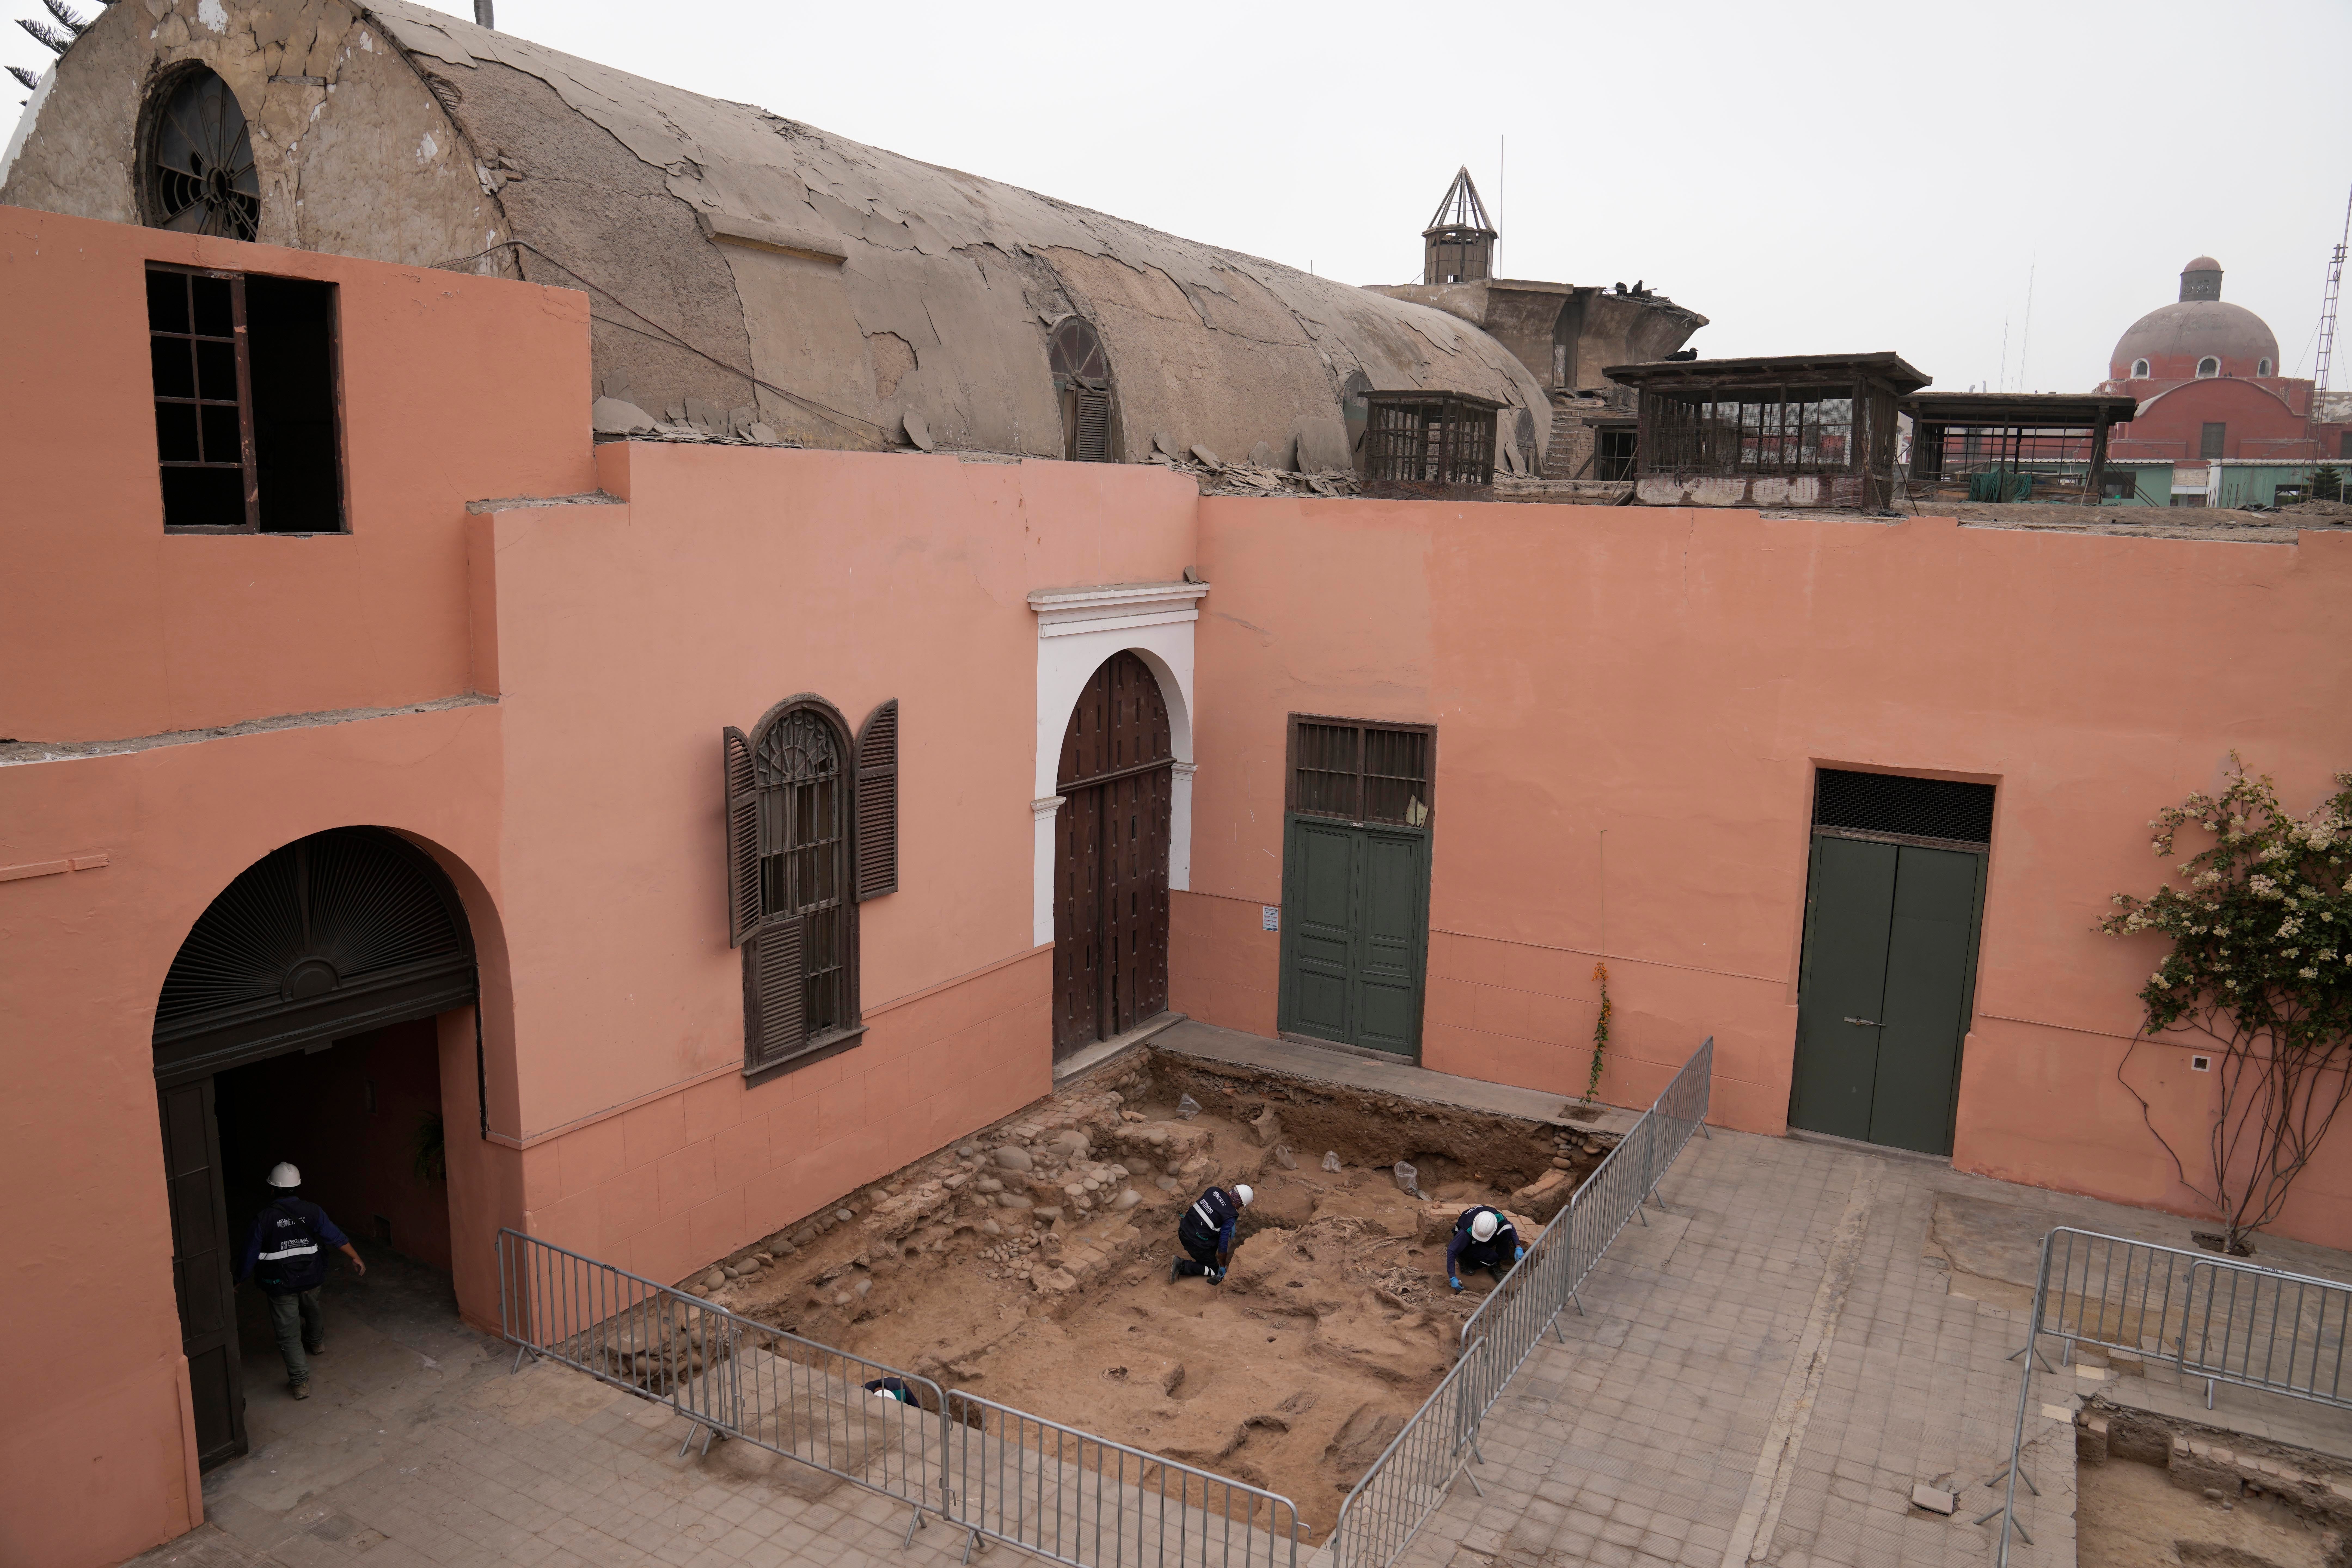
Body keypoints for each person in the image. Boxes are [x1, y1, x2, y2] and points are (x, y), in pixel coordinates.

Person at [236, 1162, 365, 1400]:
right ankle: (316, 1343)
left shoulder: (263, 1219)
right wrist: (355, 1256)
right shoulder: (313, 1211)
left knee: (288, 1333)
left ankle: (300, 1383)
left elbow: (249, 1256)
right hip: (311, 1276)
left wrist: (239, 1280)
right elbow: (335, 1236)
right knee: (311, 1306)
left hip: (279, 1283)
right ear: (297, 1187)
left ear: (272, 1189)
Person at [1168, 1183, 1254, 1283]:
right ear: (1238, 1202)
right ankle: (1182, 1265)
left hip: (1183, 1229)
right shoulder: (1230, 1216)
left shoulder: (1213, 1190)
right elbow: (1223, 1243)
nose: (1239, 1208)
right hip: (1194, 1243)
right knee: (1215, 1271)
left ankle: (1206, 1258)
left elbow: (1214, 1209)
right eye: (1241, 1205)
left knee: (1215, 1232)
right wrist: (1222, 1266)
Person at [1445, 1205, 1524, 1293]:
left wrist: (1518, 1247)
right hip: (1468, 1244)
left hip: (1484, 1237)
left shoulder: (1497, 1217)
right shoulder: (1465, 1233)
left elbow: (1511, 1227)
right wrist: (1452, 1277)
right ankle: (1464, 1261)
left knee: (1507, 1228)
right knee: (1492, 1258)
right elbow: (1452, 1251)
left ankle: (1497, 1264)